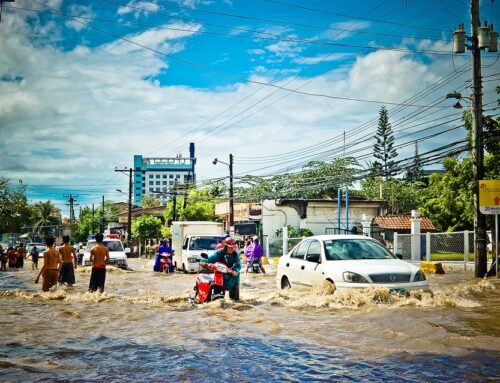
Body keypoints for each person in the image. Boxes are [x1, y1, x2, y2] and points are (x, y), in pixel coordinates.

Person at [201, 236, 241, 301]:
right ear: (226, 246)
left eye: (232, 247)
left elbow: (238, 265)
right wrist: (204, 261)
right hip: (220, 275)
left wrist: (235, 271)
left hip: (233, 276)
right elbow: (210, 258)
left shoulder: (235, 255)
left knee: (235, 300)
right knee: (216, 299)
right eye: (230, 247)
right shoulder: (219, 253)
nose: (231, 249)